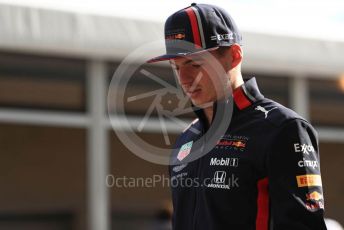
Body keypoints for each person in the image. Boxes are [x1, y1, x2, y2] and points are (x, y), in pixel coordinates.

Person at [147, 3, 327, 230]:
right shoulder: (187, 138)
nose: (184, 78)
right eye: (177, 67)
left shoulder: (283, 128)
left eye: (195, 63)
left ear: (234, 56)